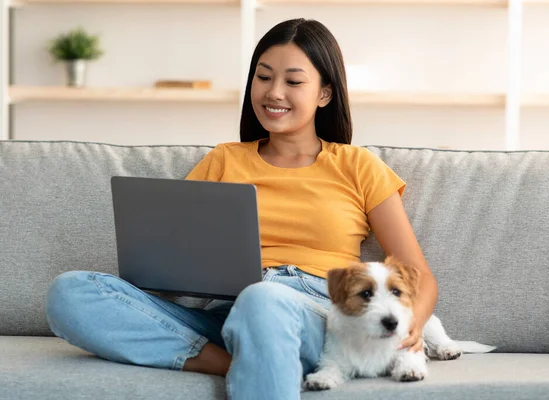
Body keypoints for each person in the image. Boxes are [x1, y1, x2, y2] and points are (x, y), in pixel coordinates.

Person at [45, 18, 438, 400]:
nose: (274, 92)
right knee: (71, 292)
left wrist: (410, 328)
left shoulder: (358, 165)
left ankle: (266, 353)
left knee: (263, 299)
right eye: (263, 77)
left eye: (293, 81)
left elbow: (417, 273)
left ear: (325, 93)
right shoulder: (223, 160)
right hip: (226, 312)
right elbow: (171, 256)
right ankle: (241, 360)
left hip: (314, 314)